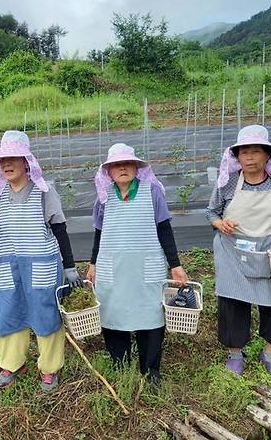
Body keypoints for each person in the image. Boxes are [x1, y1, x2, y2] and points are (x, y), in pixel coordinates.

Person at [0, 130, 81, 393]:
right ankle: (12, 364)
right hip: (8, 265)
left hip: (41, 266)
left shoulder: (43, 192)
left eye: (13, 158)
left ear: (26, 162)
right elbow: (0, 227)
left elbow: (60, 229)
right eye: (3, 160)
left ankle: (49, 368)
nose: (7, 164)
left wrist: (69, 268)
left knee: (45, 313)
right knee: (9, 312)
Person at [206, 125, 271, 384]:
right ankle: (235, 354)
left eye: (255, 152)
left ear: (267, 156)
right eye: (244, 153)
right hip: (234, 251)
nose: (249, 157)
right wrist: (220, 224)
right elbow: (212, 213)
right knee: (232, 302)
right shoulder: (228, 182)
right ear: (237, 157)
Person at [86, 143, 188, 384]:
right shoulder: (103, 197)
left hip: (146, 266)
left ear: (136, 168)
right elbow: (99, 233)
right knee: (112, 312)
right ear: (108, 171)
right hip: (113, 266)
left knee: (150, 315)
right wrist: (93, 263)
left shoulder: (152, 192)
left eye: (128, 163)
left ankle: (150, 369)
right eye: (116, 164)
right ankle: (120, 365)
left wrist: (175, 264)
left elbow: (164, 228)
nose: (122, 167)